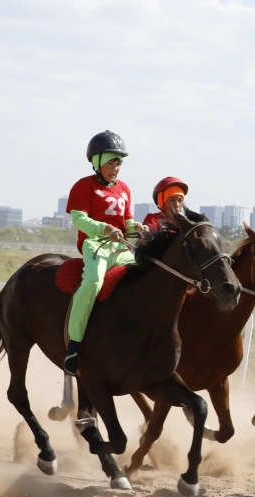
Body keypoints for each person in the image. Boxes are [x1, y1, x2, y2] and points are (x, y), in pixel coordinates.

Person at [63, 131, 140, 376]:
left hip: (120, 248)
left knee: (142, 278)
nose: (115, 167)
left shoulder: (125, 189)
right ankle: (74, 344)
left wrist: (138, 228)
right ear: (96, 162)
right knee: (93, 282)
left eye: (118, 162)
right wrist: (104, 228)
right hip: (95, 244)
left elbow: (127, 221)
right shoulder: (83, 186)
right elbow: (79, 219)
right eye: (110, 161)